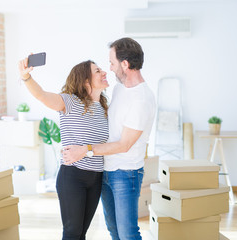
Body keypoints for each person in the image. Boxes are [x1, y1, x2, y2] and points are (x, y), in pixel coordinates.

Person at [62, 37, 156, 240]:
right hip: (106, 171)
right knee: (114, 231)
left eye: (112, 63)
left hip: (126, 173)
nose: (110, 68)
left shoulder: (142, 100)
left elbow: (124, 144)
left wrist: (84, 150)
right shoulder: (119, 88)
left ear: (125, 64)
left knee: (127, 233)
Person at [18, 58, 109, 240]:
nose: (104, 72)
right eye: (97, 71)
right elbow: (41, 95)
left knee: (81, 233)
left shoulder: (104, 108)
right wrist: (26, 76)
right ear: (85, 81)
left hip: (96, 177)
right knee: (72, 233)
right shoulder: (70, 102)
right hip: (73, 177)